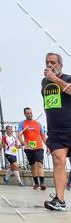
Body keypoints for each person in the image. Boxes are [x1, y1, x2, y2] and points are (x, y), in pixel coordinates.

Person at [42, 52, 71, 211]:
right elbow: (50, 106)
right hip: (56, 130)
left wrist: (55, 79)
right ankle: (59, 200)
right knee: (58, 161)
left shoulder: (67, 78)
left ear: (60, 64)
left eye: (53, 62)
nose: (49, 65)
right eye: (47, 62)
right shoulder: (44, 83)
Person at [17, 107, 47, 190]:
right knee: (33, 165)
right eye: (27, 113)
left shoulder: (38, 124)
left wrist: (48, 146)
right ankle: (36, 183)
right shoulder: (22, 124)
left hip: (39, 147)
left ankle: (42, 183)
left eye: (30, 113)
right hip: (29, 148)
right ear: (25, 114)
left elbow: (43, 136)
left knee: (39, 164)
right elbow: (19, 135)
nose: (29, 114)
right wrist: (24, 144)